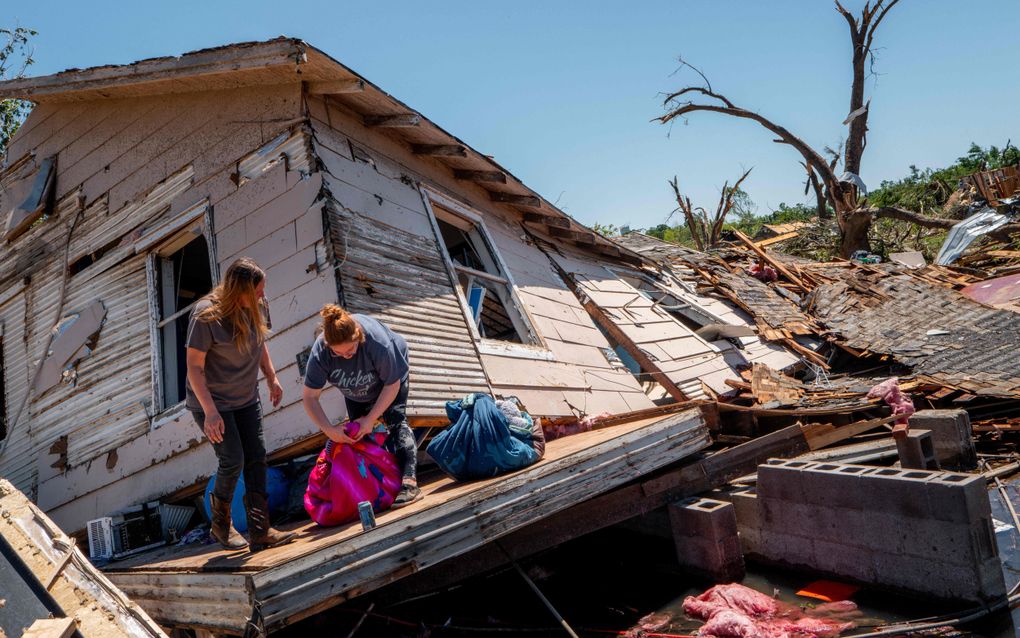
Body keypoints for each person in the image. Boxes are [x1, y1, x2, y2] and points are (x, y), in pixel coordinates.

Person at [185, 257, 296, 551]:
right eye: (256, 291)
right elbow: (194, 368)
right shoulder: (205, 316)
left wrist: (272, 377)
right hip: (213, 402)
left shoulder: (257, 306)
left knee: (257, 456)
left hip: (246, 397)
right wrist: (209, 412)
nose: (262, 296)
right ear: (238, 290)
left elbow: (260, 342)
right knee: (233, 458)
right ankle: (221, 526)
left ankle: (260, 531)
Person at [302, 304, 422, 508]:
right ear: (329, 346)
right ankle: (378, 486)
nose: (347, 356)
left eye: (351, 350)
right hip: (355, 389)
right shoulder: (320, 354)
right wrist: (330, 431)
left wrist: (371, 418)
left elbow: (392, 384)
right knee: (359, 437)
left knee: (395, 422)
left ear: (358, 335)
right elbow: (310, 398)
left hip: (389, 382)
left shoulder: (377, 343)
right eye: (340, 353)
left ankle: (409, 483)